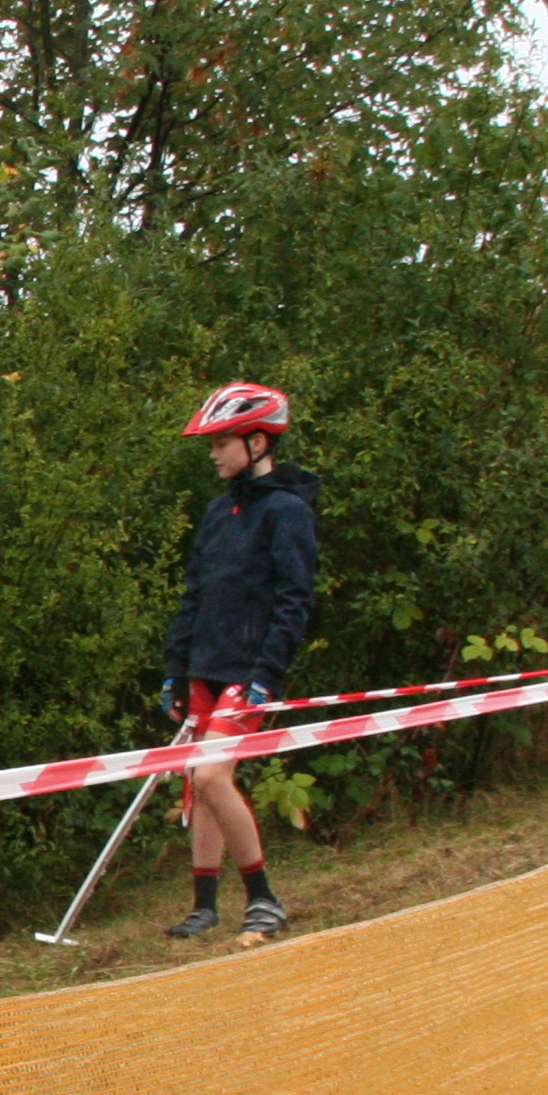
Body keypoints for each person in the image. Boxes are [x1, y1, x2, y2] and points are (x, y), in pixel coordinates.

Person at [157, 382, 320, 941]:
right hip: (205, 665)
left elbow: (294, 600)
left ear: (257, 442)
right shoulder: (217, 511)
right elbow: (195, 594)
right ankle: (205, 906)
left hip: (250, 672)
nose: (213, 454)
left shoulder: (288, 511)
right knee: (198, 783)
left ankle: (264, 899)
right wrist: (176, 669)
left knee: (212, 775)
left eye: (222, 442)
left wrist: (267, 674)